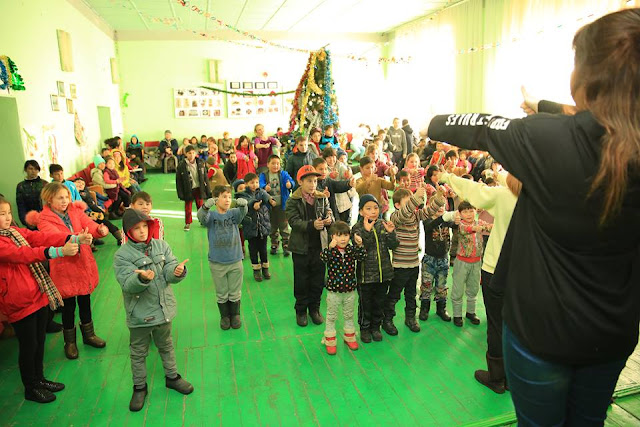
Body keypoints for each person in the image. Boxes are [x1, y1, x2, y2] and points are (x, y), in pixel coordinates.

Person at [426, 9, 640, 424]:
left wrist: (432, 122)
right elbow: (605, 118)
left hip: (542, 334)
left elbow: (477, 125)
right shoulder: (571, 134)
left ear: (585, 77)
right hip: (612, 334)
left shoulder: (546, 138)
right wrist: (541, 105)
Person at [0, 196, 93, 403]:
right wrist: (59, 251)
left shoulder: (14, 232)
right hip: (18, 301)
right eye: (1, 214)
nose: (7, 218)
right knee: (29, 346)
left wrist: (74, 238)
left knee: (39, 341)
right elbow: (22, 254)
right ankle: (31, 387)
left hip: (37, 293)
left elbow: (40, 237)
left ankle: (40, 379)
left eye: (8, 213)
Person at [439, 170, 519, 394]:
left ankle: (496, 378)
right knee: (516, 325)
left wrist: (448, 177)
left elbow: (475, 191)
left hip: (496, 269)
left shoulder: (504, 196)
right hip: (524, 272)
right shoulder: (542, 198)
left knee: (496, 324)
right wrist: (498, 174)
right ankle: (512, 378)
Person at [113, 209, 194, 412]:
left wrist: (177, 271)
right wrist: (141, 279)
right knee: (138, 352)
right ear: (128, 232)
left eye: (144, 226)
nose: (142, 231)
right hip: (139, 315)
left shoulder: (161, 245)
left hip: (163, 309)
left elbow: (169, 269)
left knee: (166, 345)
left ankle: (172, 377)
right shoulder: (122, 255)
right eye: (136, 228)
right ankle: (139, 387)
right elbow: (126, 283)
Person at [28, 183, 108, 360]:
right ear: (50, 199)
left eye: (66, 197)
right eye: (60, 198)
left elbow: (88, 224)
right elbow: (53, 237)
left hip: (82, 262)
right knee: (68, 307)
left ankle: (89, 335)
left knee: (85, 301)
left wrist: (98, 230)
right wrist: (77, 238)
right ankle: (69, 342)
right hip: (64, 267)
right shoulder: (44, 219)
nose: (65, 201)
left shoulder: (75, 211)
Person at [285, 165, 333, 327]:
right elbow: (294, 221)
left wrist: (329, 219)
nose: (313, 184)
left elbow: (329, 211)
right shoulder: (293, 200)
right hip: (301, 248)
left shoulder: (322, 197)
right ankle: (300, 311)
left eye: (315, 181)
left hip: (320, 246)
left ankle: (314, 309)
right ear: (300, 182)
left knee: (317, 280)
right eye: (309, 181)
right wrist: (312, 225)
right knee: (301, 281)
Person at [198, 186, 248, 330]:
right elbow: (201, 218)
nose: (227, 200)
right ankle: (224, 316)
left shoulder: (233, 214)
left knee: (235, 291)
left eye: (229, 197)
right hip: (217, 261)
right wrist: (205, 207)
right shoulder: (211, 216)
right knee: (221, 292)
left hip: (235, 259)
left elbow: (243, 213)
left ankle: (235, 315)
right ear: (215, 199)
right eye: (224, 197)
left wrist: (243, 205)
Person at [351, 195, 399, 343]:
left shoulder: (382, 225)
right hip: (366, 276)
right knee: (365, 304)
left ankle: (376, 327)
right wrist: (366, 231)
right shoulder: (357, 228)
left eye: (376, 208)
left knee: (379, 302)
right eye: (368, 208)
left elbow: (393, 245)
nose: (373, 211)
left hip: (383, 274)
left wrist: (391, 233)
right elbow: (359, 252)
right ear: (361, 212)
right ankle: (365, 328)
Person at [385, 185, 432, 335]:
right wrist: (416, 197)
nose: (412, 205)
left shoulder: (415, 215)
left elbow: (430, 211)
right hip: (400, 265)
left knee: (411, 294)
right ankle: (387, 319)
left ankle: (410, 317)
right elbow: (405, 213)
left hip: (414, 263)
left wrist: (438, 197)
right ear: (397, 205)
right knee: (394, 294)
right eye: (408, 202)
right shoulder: (395, 217)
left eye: (412, 201)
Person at [319, 221, 366, 355]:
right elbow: (323, 258)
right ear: (333, 237)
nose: (343, 239)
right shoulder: (331, 251)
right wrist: (330, 247)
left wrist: (359, 244)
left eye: (346, 235)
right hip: (334, 291)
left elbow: (362, 256)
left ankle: (349, 337)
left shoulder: (351, 250)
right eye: (339, 235)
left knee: (349, 315)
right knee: (331, 316)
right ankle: (330, 340)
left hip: (349, 290)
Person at [419, 187, 457, 322]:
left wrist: (459, 218)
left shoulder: (446, 221)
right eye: (437, 205)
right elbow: (430, 226)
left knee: (441, 286)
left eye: (443, 205)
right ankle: (424, 309)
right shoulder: (427, 220)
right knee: (426, 285)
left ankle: (441, 308)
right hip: (429, 259)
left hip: (443, 259)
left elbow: (456, 225)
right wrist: (442, 217)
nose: (441, 207)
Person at [451, 201, 491, 327]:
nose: (469, 214)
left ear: (476, 211)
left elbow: (489, 226)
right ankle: (457, 315)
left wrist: (493, 225)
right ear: (460, 214)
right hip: (461, 263)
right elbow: (465, 229)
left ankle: (471, 312)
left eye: (471, 211)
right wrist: (475, 228)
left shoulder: (479, 222)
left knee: (473, 289)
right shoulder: (461, 225)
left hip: (477, 262)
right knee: (458, 289)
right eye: (465, 212)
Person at [236, 173, 275, 281]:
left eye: (256, 182)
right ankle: (256, 270)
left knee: (263, 250)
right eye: (252, 182)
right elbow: (247, 201)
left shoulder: (261, 192)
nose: (255, 185)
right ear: (246, 184)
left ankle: (265, 268)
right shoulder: (242, 195)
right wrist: (253, 204)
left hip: (263, 227)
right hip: (251, 228)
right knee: (253, 250)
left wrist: (270, 200)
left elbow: (265, 195)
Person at [259, 155, 295, 256]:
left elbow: (292, 182)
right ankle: (274, 243)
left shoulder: (284, 174)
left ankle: (286, 244)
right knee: (272, 226)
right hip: (269, 206)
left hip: (282, 205)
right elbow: (260, 184)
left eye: (278, 163)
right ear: (268, 164)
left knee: (284, 225)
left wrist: (290, 185)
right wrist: (264, 187)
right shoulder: (264, 175)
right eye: (273, 163)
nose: (275, 165)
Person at [73, 178, 123, 245]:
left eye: (83, 183)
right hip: (81, 215)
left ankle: (118, 237)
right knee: (100, 220)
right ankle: (93, 242)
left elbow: (91, 204)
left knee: (103, 220)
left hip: (90, 212)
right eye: (78, 182)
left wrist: (98, 210)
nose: (80, 184)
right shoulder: (74, 194)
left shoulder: (85, 192)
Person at [176, 145, 211, 231]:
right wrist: (180, 193)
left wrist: (208, 189)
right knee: (188, 207)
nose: (191, 155)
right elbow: (178, 181)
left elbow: (205, 176)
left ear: (195, 153)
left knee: (201, 206)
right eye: (189, 153)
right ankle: (187, 223)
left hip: (199, 188)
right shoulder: (181, 165)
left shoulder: (201, 162)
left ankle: (203, 220)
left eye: (193, 153)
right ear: (185, 154)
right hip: (188, 189)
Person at [313, 157, 355, 225]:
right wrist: (321, 194)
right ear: (314, 169)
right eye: (321, 169)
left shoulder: (327, 180)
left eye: (325, 169)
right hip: (317, 217)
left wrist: (349, 184)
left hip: (331, 214)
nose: (324, 171)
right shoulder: (312, 183)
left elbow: (337, 185)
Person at [16, 160, 48, 230]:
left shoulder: (44, 184)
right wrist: (25, 221)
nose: (33, 171)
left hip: (45, 219)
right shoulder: (21, 186)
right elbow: (21, 206)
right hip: (30, 221)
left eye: (36, 169)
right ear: (25, 170)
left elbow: (50, 203)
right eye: (30, 169)